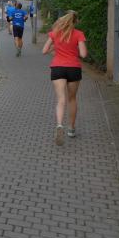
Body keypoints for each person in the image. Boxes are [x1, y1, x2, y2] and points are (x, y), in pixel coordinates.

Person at [42, 11, 88, 146]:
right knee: (72, 99)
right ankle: (71, 129)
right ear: (76, 21)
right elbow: (84, 54)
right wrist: (75, 49)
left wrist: (54, 48)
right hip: (73, 68)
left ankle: (59, 125)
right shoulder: (79, 34)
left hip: (58, 68)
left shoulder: (55, 33)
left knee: (61, 99)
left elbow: (44, 51)